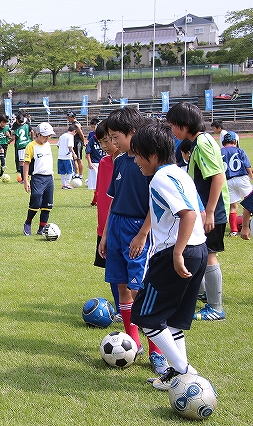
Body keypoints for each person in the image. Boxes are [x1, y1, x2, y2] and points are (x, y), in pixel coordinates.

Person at [128, 121, 208, 390]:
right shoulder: (179, 172)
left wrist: (176, 252)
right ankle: (177, 375)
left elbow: (188, 213)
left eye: (138, 154)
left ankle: (186, 373)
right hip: (198, 250)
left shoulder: (161, 179)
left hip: (178, 252)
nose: (135, 159)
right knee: (173, 320)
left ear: (152, 155)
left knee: (146, 315)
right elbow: (196, 210)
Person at [99, 108, 168, 375]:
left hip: (138, 228)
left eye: (117, 137)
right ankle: (133, 342)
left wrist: (143, 233)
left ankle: (157, 351)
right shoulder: (119, 162)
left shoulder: (148, 163)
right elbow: (114, 202)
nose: (113, 143)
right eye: (111, 138)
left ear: (133, 133)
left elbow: (156, 202)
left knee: (140, 290)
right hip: (116, 227)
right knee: (122, 288)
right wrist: (105, 235)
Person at [167, 102, 229, 321]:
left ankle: (216, 307)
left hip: (211, 210)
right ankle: (203, 294)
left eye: (174, 125)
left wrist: (210, 211)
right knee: (200, 252)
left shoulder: (202, 143)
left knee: (210, 255)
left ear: (185, 125)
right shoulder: (200, 142)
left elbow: (218, 177)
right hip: (203, 209)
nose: (172, 130)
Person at [92, 120, 121, 316]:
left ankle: (131, 310)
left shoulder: (130, 162)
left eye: (107, 141)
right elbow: (103, 193)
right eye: (101, 142)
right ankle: (120, 309)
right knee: (111, 271)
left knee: (127, 272)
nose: (104, 146)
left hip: (121, 225)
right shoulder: (104, 162)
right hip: (104, 227)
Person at [22, 123, 55, 236]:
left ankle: (42, 228)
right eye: (45, 136)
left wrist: (52, 176)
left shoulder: (48, 145)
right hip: (37, 178)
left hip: (49, 178)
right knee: (36, 202)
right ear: (38, 134)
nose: (47, 138)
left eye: (49, 136)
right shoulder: (31, 146)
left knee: (47, 205)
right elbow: (26, 164)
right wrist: (26, 180)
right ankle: (28, 222)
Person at [220, 133, 253, 236]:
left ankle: (234, 230)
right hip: (241, 178)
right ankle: (247, 225)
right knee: (250, 200)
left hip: (227, 180)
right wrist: (251, 176)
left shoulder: (220, 152)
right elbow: (247, 166)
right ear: (235, 142)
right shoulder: (239, 150)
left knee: (233, 206)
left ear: (223, 142)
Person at [85, 118, 104, 196]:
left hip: (103, 163)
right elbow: (88, 152)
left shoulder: (106, 139)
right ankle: (96, 198)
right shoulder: (92, 139)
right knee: (96, 183)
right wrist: (90, 163)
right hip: (95, 163)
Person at [11, 112, 32, 179]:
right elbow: (32, 132)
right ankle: (29, 173)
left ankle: (23, 178)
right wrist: (31, 140)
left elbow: (14, 137)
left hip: (20, 145)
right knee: (29, 160)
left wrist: (8, 142)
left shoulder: (18, 128)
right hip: (28, 144)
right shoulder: (27, 125)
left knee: (21, 162)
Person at [56, 124, 77, 189]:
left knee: (62, 172)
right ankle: (67, 184)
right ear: (74, 131)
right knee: (70, 171)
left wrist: (62, 150)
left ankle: (64, 184)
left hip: (60, 156)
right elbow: (70, 146)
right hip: (67, 157)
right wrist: (74, 154)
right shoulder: (70, 136)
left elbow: (58, 145)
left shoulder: (62, 136)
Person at [66, 111, 86, 180]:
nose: (68, 119)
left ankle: (80, 174)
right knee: (74, 159)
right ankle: (76, 173)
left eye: (69, 117)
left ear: (72, 117)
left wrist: (83, 142)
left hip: (78, 142)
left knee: (78, 159)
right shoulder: (72, 124)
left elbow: (81, 134)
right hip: (73, 142)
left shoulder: (77, 124)